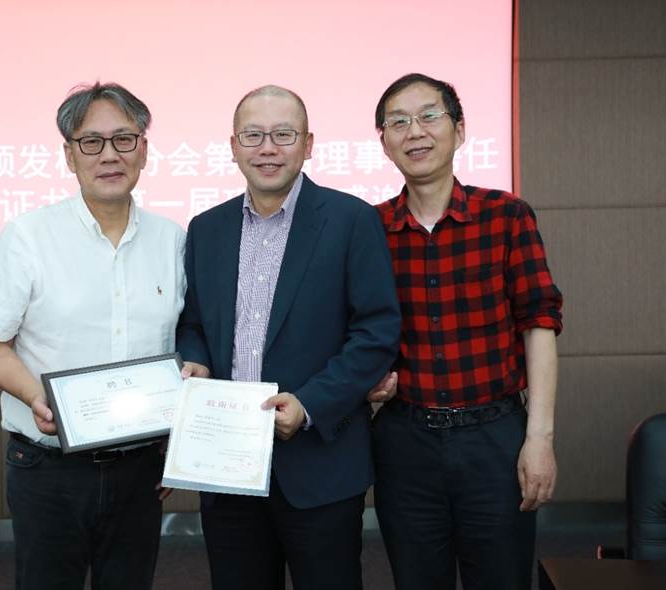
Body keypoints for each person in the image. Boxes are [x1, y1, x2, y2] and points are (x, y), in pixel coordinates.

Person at [176, 85, 400, 590]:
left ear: (308, 144)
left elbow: (376, 331)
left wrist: (310, 404)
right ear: (233, 145)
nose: (268, 148)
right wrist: (197, 361)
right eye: (253, 135)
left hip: (320, 463)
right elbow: (193, 325)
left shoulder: (351, 220)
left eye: (283, 134)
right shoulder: (206, 228)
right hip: (227, 465)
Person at [0, 82, 185, 590]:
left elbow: (180, 345)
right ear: (70, 155)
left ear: (144, 149)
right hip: (49, 467)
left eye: (124, 139)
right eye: (91, 142)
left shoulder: (172, 240)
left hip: (140, 468)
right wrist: (35, 396)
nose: (109, 155)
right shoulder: (27, 236)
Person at [370, 73, 563, 590]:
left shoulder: (507, 216)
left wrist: (539, 439)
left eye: (429, 116)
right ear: (384, 142)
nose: (415, 132)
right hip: (405, 442)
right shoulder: (369, 229)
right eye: (398, 122)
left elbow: (540, 324)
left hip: (495, 438)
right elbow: (354, 332)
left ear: (459, 130)